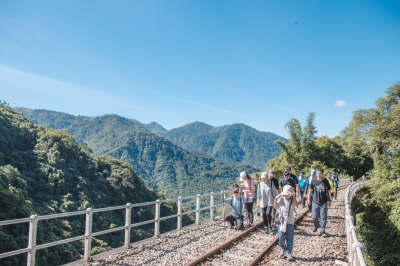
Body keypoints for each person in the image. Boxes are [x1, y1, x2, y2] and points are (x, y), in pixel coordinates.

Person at [275, 185, 298, 261]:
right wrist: (275, 200)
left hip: (290, 222)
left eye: (287, 194)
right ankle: (282, 247)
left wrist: (294, 196)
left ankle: (288, 252)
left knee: (290, 238)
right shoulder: (281, 199)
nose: (285, 195)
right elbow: (276, 207)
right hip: (281, 221)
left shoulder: (292, 200)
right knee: (281, 237)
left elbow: (295, 206)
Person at [307, 167, 332, 237]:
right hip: (315, 201)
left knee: (323, 217)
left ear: (322, 173)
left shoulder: (325, 181)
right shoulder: (314, 181)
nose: (318, 175)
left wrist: (330, 200)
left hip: (323, 202)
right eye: (317, 173)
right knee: (314, 217)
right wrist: (308, 199)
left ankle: (322, 231)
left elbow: (329, 191)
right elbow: (310, 190)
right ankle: (316, 225)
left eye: (320, 173)